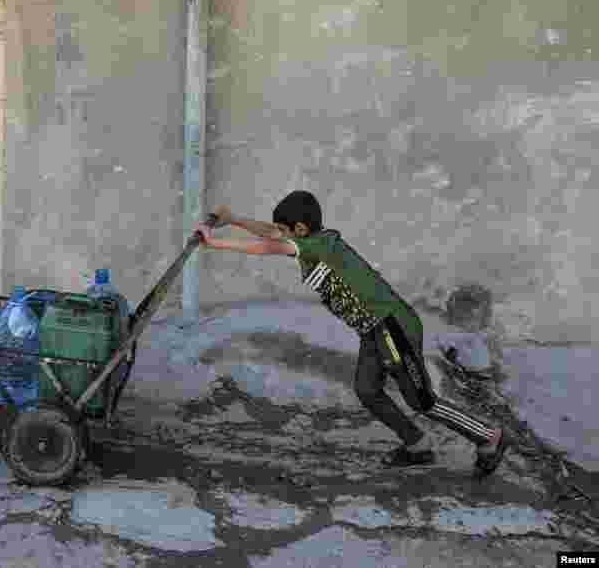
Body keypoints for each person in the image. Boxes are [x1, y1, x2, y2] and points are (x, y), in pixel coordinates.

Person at [193, 191, 508, 476]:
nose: (281, 234)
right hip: (373, 329)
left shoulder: (314, 245)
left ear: (300, 230)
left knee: (421, 400)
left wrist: (214, 243)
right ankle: (417, 445)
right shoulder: (313, 240)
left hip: (391, 326)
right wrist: (232, 219)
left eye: (287, 230)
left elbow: (268, 245)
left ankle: (488, 436)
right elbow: (273, 233)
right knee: (367, 390)